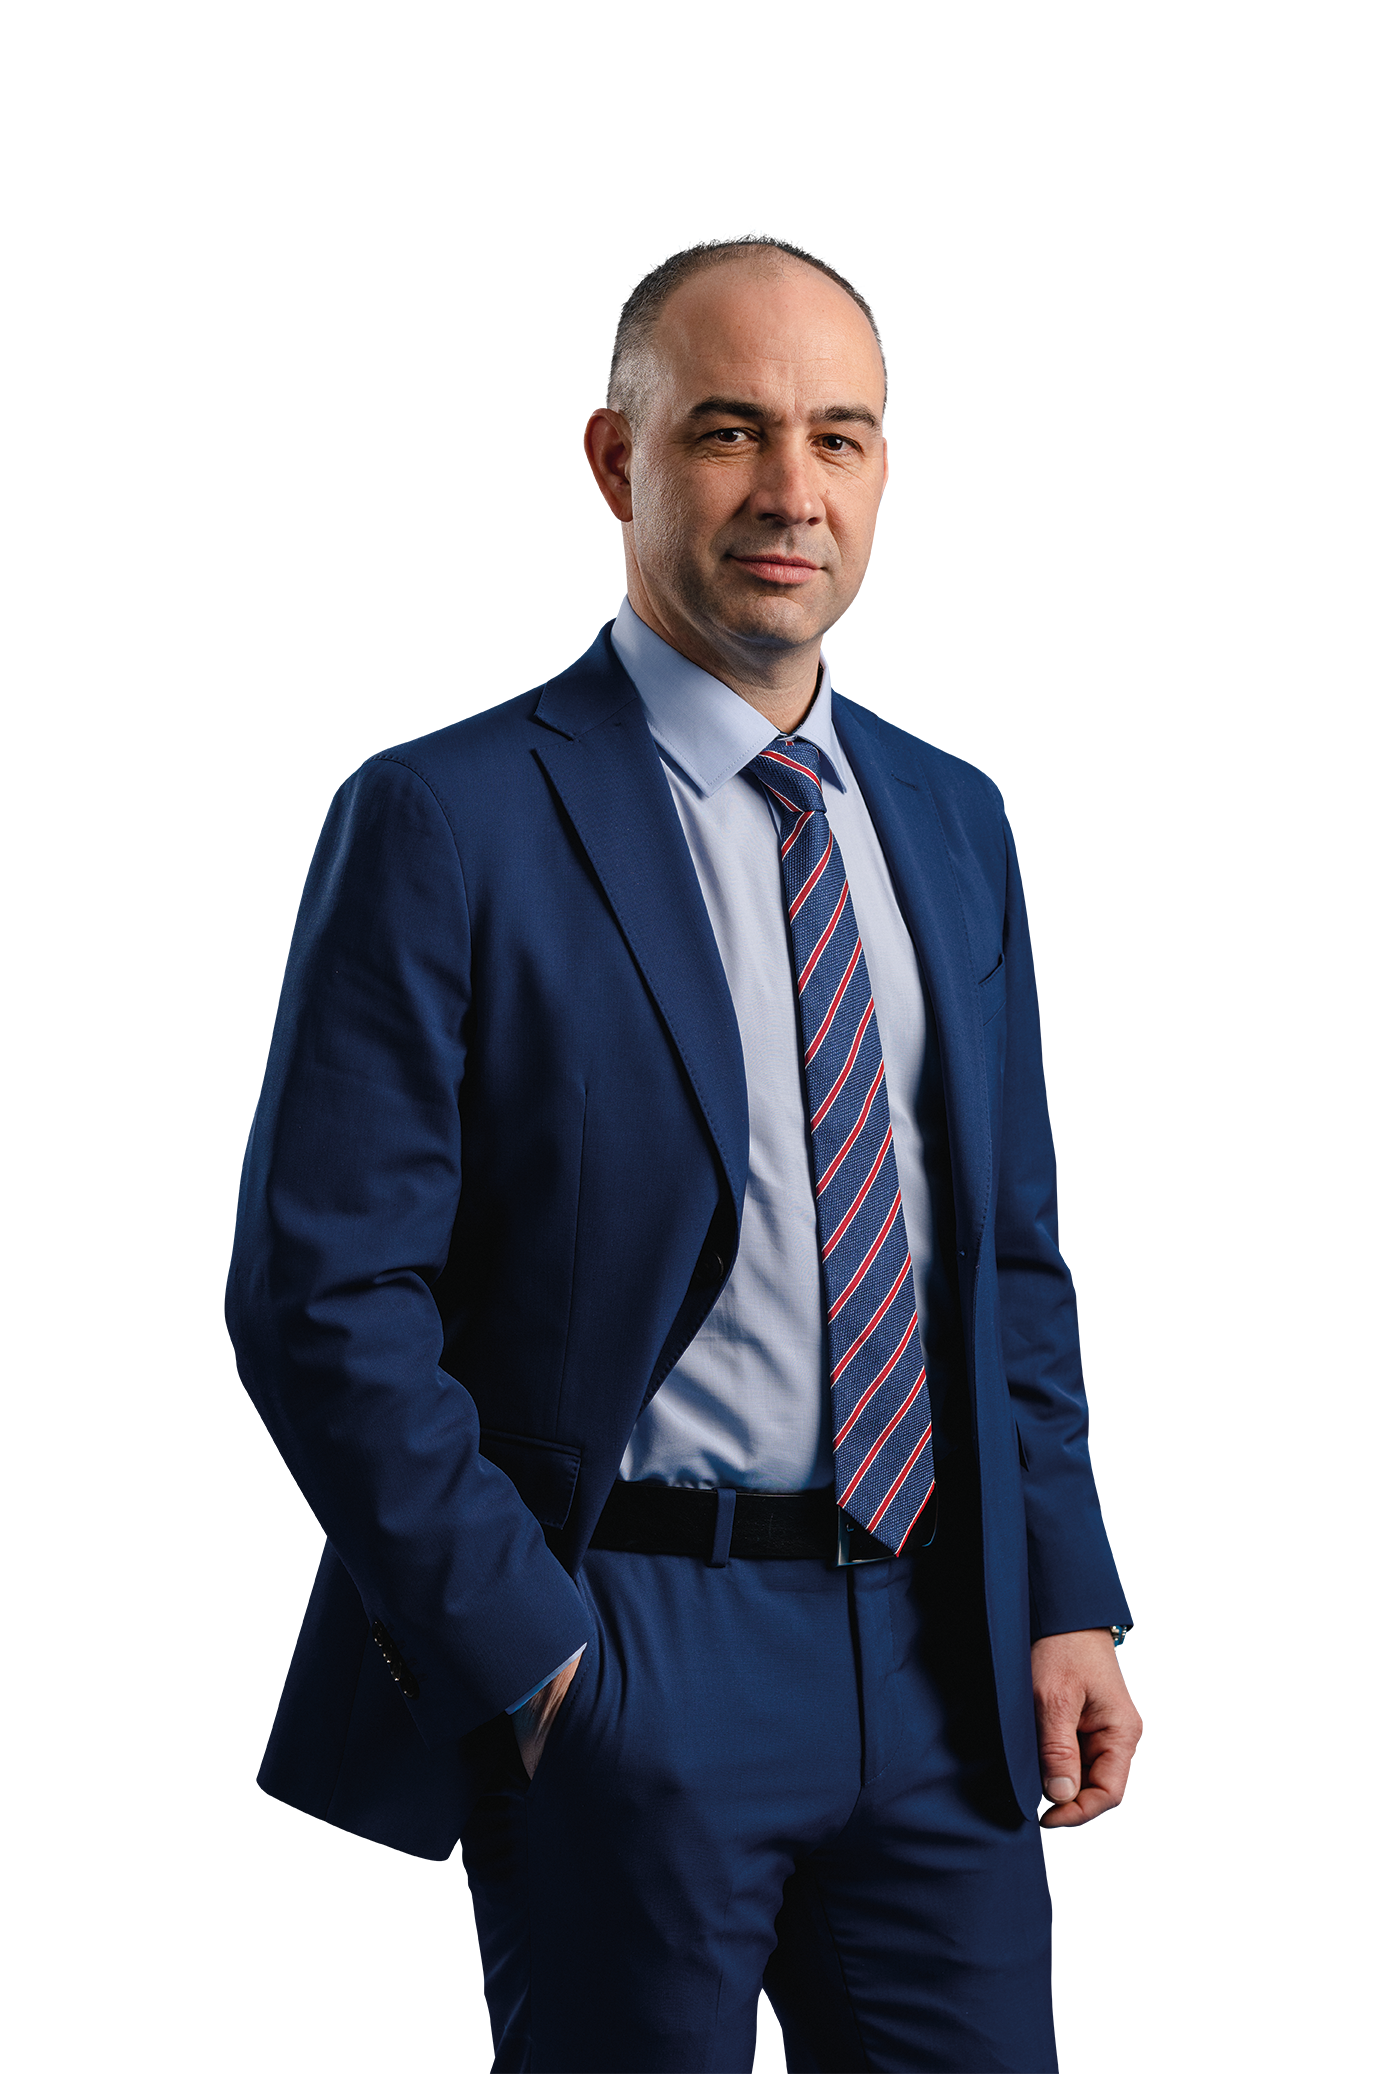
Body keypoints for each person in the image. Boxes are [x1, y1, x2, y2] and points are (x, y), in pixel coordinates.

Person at [234, 229, 1140, 2073]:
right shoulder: (451, 817)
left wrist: (1065, 1598)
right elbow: (329, 1297)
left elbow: (1009, 1258)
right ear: (613, 460)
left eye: (839, 436)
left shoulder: (946, 815)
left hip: (942, 1651)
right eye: (730, 430)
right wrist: (539, 1661)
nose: (792, 490)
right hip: (634, 1637)